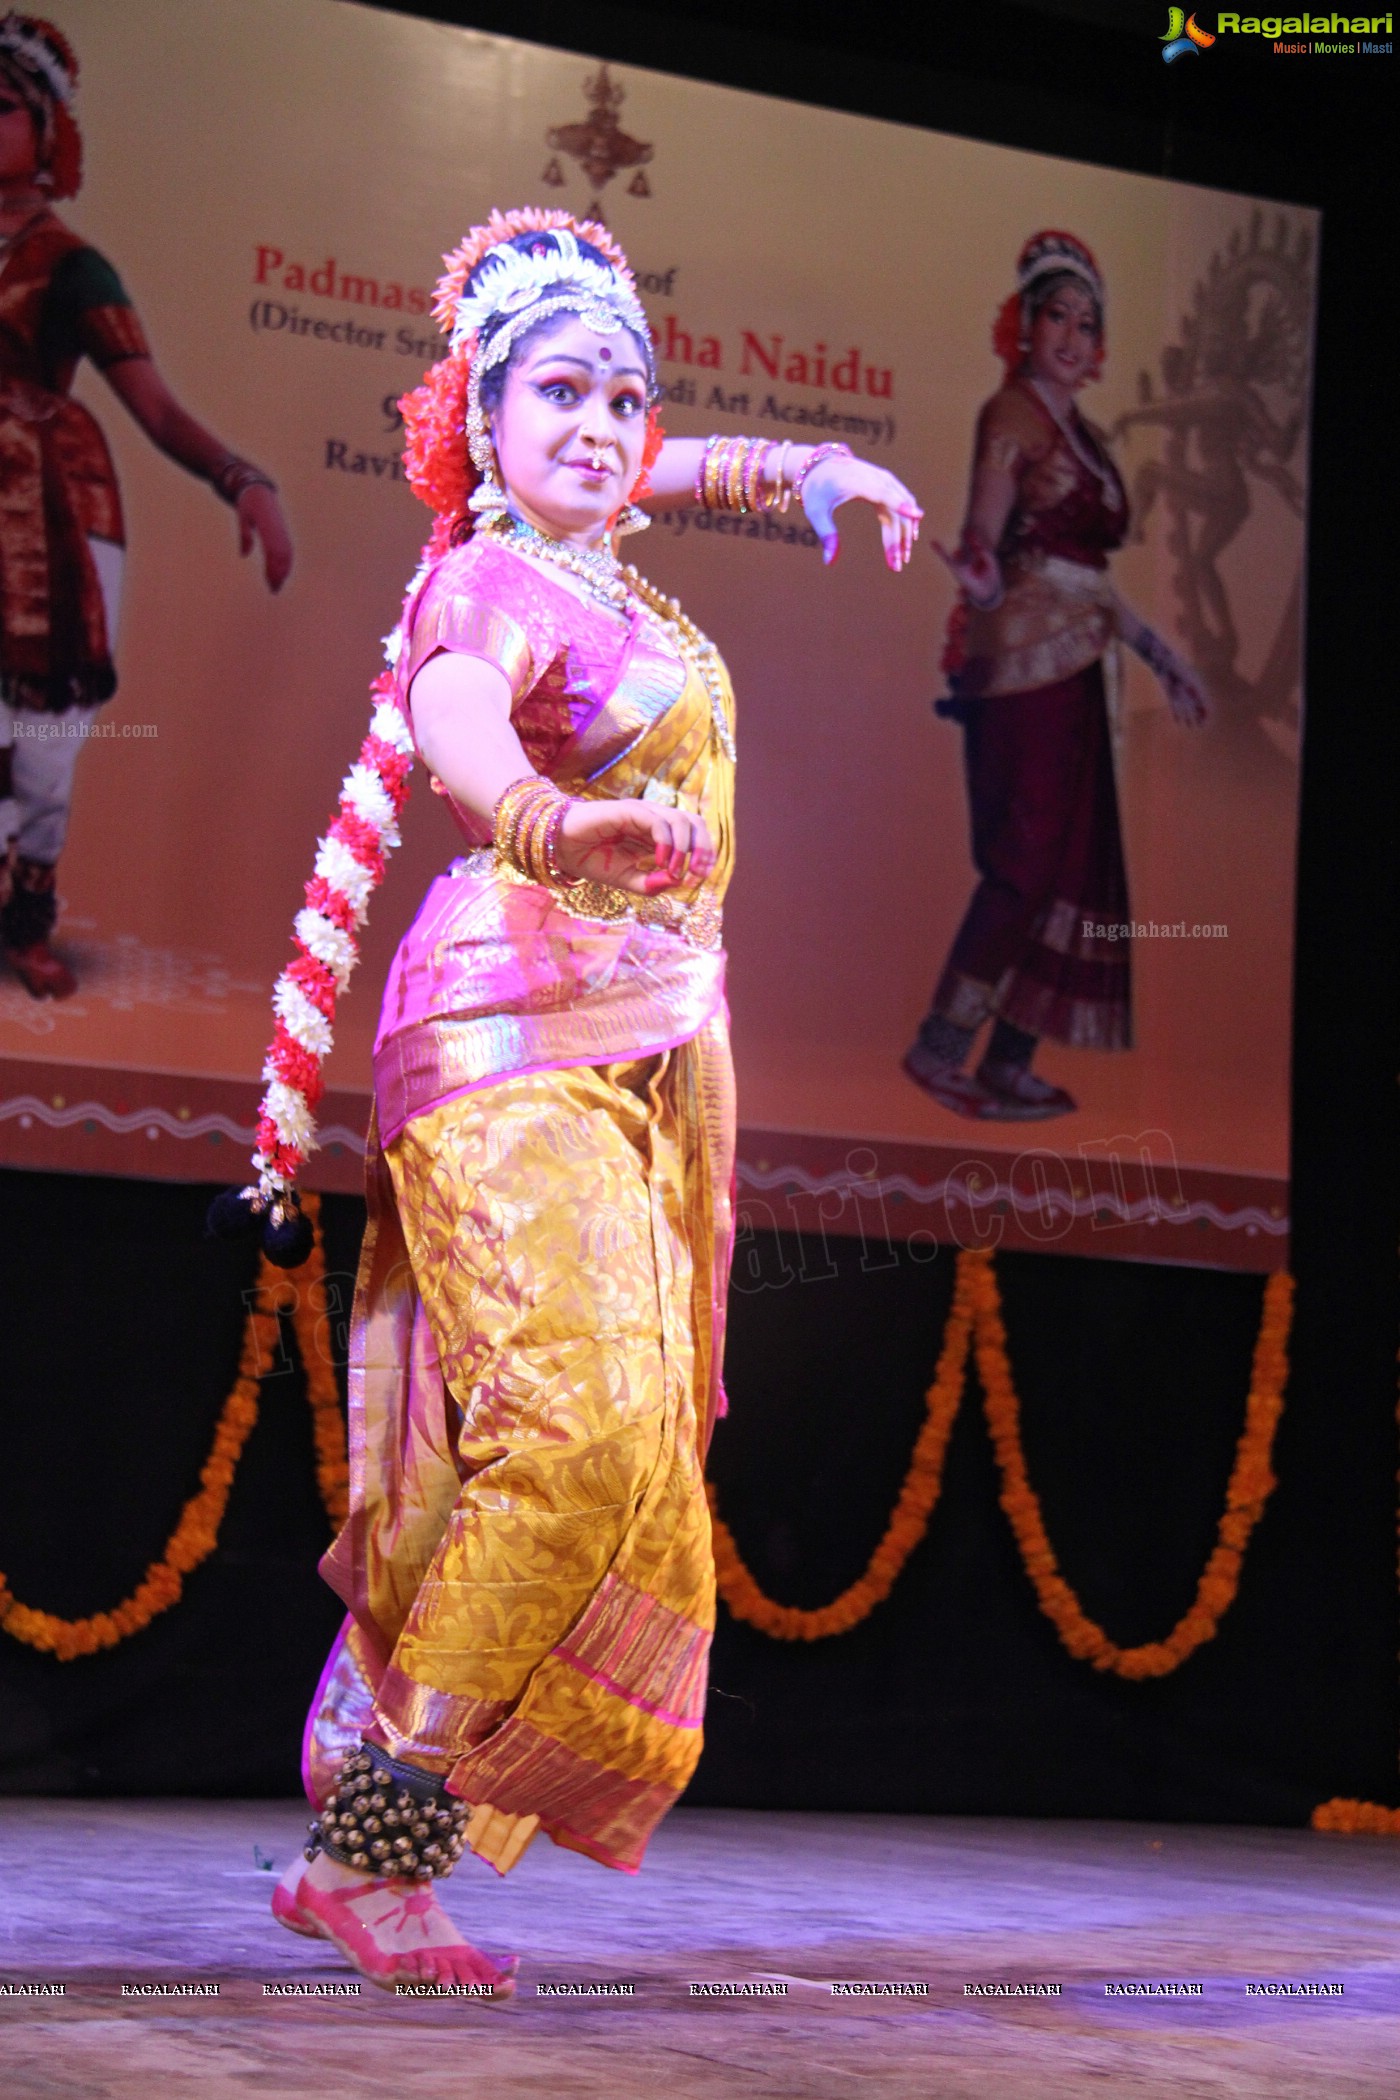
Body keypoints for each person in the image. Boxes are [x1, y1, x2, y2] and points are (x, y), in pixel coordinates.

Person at [241, 208, 921, 1993]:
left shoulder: (611, 546)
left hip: (645, 1061)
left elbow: (653, 462)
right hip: (500, 1039)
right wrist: (551, 821)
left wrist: (813, 466)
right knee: (580, 1447)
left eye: (629, 397)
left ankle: (365, 1744)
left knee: (612, 1459)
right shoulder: (486, 579)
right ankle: (370, 1847)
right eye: (562, 393)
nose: (607, 428)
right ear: (481, 412)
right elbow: (461, 716)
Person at [0, 13, 291, 998]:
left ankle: (28, 919)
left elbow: (155, 408)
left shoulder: (75, 267)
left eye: (1, 110)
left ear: (47, 132)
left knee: (42, 745)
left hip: (52, 513)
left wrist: (243, 480)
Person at [904, 230, 1206, 1120]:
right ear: (1023, 327)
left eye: (1087, 322)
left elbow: (1097, 587)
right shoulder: (1011, 417)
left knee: (1076, 872)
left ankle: (1009, 1060)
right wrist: (981, 576)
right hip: (1020, 678)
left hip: (1080, 676)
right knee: (1025, 864)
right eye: (1057, 317)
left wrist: (1168, 662)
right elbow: (986, 543)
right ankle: (941, 1047)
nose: (1073, 336)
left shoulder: (1087, 432)